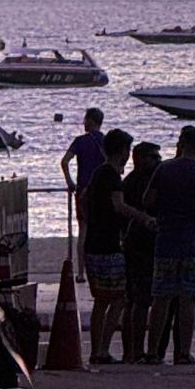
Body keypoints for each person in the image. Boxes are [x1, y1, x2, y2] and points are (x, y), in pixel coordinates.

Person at [146, 125, 195, 365]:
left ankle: (152, 353)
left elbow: (148, 200)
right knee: (188, 298)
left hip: (166, 238)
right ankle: (183, 352)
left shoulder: (164, 169)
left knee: (161, 297)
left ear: (181, 144)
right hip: (193, 241)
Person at [83, 127, 135, 365]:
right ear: (123, 151)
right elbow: (118, 205)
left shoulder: (97, 174)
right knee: (117, 298)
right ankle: (102, 348)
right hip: (108, 245)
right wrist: (142, 217)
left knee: (101, 300)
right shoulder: (112, 176)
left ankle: (97, 349)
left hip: (93, 242)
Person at [120, 140, 162, 364]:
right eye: (152, 157)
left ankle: (135, 350)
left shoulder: (151, 180)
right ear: (139, 158)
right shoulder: (134, 182)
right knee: (138, 300)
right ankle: (134, 350)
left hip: (148, 245)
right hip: (138, 245)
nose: (157, 161)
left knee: (140, 300)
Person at [59, 107, 105, 282]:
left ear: (91, 121)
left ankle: (81, 272)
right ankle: (100, 269)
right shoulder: (106, 141)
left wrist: (70, 182)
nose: (83, 123)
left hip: (84, 190)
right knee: (101, 229)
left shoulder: (80, 141)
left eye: (85, 119)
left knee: (83, 230)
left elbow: (64, 162)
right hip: (101, 190)